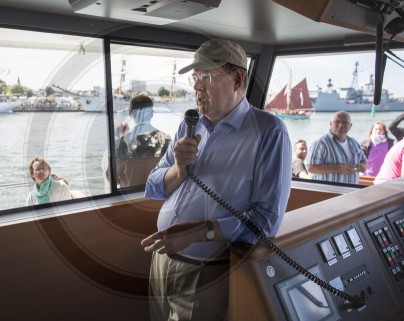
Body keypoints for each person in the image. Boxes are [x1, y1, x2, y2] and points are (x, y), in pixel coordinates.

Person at [140, 39, 292, 321]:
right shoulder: (190, 124)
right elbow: (152, 186)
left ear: (237, 78)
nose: (197, 87)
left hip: (206, 270)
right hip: (161, 260)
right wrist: (178, 171)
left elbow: (267, 220)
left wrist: (199, 232)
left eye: (206, 77)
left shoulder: (269, 133)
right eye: (195, 78)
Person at [105, 94, 171, 188]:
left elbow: (111, 177)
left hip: (132, 197)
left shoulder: (121, 143)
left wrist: (119, 139)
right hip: (159, 198)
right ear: (152, 114)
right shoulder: (167, 139)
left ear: (130, 113)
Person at [306, 111, 367, 184]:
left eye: (345, 123)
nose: (341, 125)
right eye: (337, 122)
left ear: (350, 126)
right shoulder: (321, 143)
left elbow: (364, 161)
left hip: (351, 193)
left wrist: (363, 166)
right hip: (328, 193)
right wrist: (338, 168)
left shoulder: (354, 143)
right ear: (330, 124)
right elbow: (311, 168)